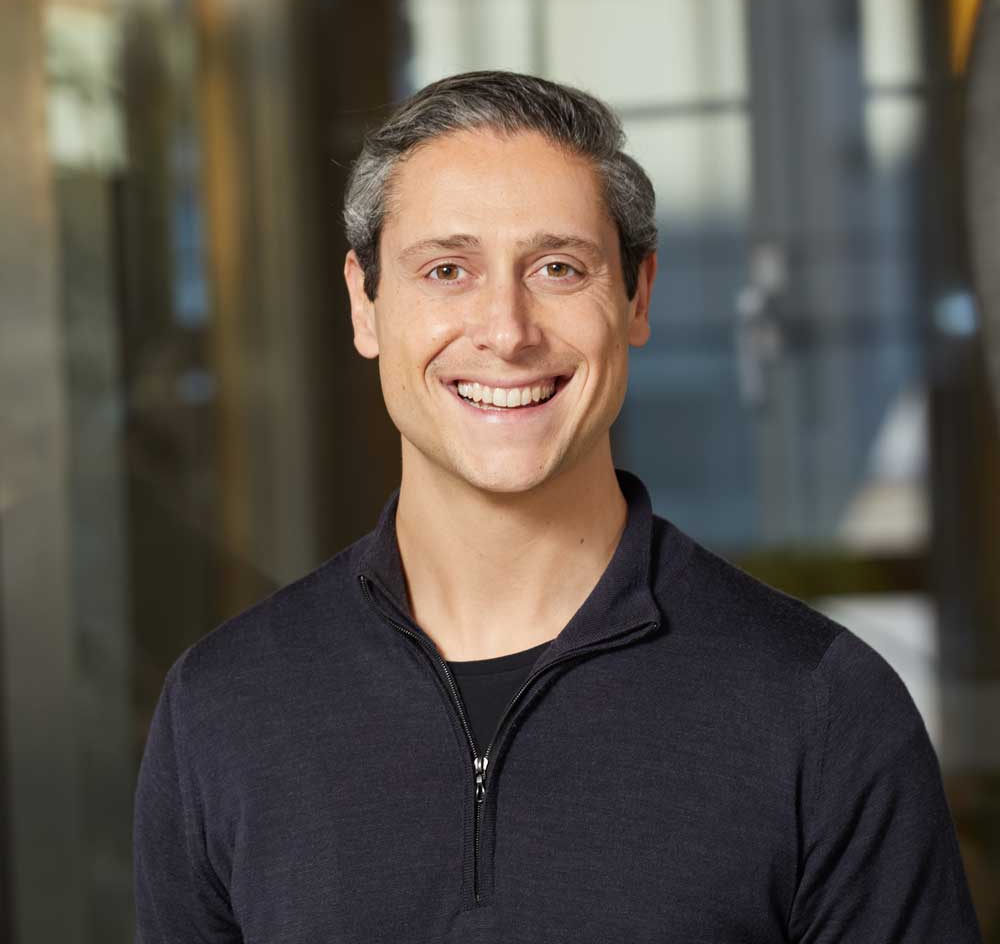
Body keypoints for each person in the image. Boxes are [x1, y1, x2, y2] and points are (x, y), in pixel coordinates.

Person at [133, 70, 983, 943]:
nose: (507, 331)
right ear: (365, 303)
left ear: (637, 297)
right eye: (447, 270)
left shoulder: (821, 707)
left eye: (558, 268)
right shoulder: (222, 708)